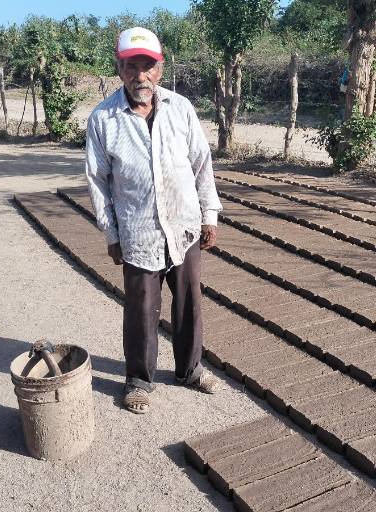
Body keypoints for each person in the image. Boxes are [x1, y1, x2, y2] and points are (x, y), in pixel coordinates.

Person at [85, 27, 222, 414]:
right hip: (138, 230)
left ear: (160, 68)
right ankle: (139, 380)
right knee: (141, 308)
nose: (140, 75)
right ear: (119, 69)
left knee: (189, 301)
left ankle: (189, 369)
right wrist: (111, 233)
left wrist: (209, 214)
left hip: (184, 225)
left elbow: (201, 166)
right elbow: (98, 181)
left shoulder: (181, 109)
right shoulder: (103, 119)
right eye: (132, 66)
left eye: (148, 66)